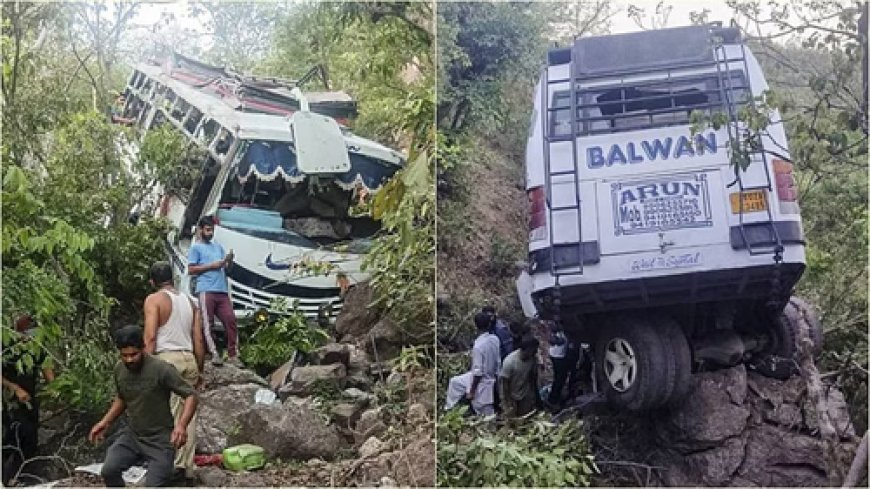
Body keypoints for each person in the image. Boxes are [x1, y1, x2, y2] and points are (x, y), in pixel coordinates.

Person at [89, 325, 198, 487]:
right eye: (124, 355)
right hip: (133, 435)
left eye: (134, 354)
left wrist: (181, 426)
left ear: (143, 348)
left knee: (154, 485)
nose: (129, 360)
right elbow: (122, 398)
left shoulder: (161, 369)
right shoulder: (120, 370)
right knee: (109, 470)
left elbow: (191, 395)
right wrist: (105, 422)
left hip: (160, 439)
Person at [143, 261, 204, 480]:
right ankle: (186, 467)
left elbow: (150, 337)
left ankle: (172, 467)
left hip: (166, 360)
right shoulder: (191, 301)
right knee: (188, 415)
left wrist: (143, 367)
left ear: (152, 282)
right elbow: (198, 338)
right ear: (173, 279)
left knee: (167, 415)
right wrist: (199, 367)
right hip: (188, 359)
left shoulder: (154, 300)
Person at [2, 316, 55, 486]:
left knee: (31, 438)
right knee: (15, 436)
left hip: (30, 399)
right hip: (9, 400)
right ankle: (7, 477)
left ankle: (24, 477)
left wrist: (54, 388)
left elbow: (46, 367)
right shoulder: (6, 346)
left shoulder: (36, 347)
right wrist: (14, 388)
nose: (29, 338)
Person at [187, 215, 239, 366]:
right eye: (208, 230)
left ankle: (233, 353)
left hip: (221, 289)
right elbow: (191, 269)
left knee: (230, 319)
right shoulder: (196, 248)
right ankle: (214, 353)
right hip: (206, 289)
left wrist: (228, 262)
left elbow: (226, 269)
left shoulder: (218, 247)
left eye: (212, 230)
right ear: (201, 230)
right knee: (207, 323)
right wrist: (211, 266)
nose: (210, 233)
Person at [444, 312, 502, 416]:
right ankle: (450, 410)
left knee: (485, 413)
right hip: (491, 376)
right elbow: (498, 362)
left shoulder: (478, 346)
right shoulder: (495, 339)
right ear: (489, 325)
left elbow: (478, 373)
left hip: (483, 382)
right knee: (455, 382)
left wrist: (471, 392)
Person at [500, 333, 541, 418]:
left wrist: (535, 396)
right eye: (534, 349)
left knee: (524, 418)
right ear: (527, 350)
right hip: (512, 396)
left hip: (525, 395)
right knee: (512, 419)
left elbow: (533, 377)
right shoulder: (510, 362)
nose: (536, 352)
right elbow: (504, 384)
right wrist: (507, 402)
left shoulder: (532, 359)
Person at [546, 322, 569, 409]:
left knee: (560, 378)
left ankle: (555, 398)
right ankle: (552, 400)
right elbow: (556, 340)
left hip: (558, 354)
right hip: (557, 356)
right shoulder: (556, 330)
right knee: (559, 379)